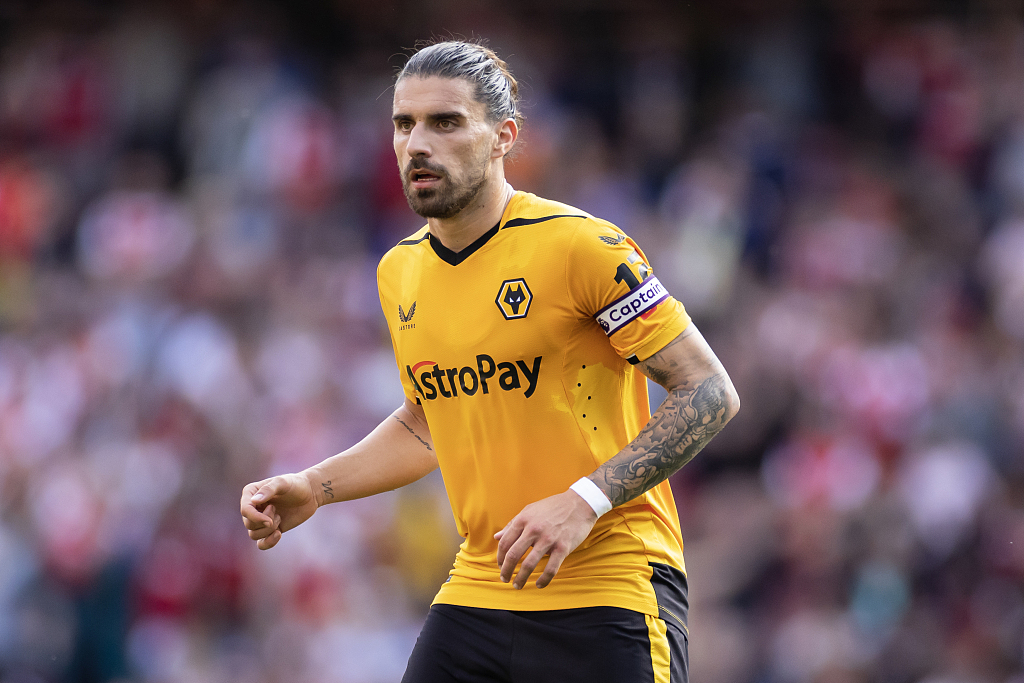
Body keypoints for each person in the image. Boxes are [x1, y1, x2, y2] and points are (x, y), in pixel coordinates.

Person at [240, 40, 739, 683]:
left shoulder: (580, 247)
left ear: (503, 137)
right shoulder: (401, 271)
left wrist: (583, 501)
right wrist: (315, 485)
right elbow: (431, 423)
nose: (417, 143)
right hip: (480, 588)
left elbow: (708, 392)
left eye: (444, 122)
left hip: (610, 587)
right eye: (403, 124)